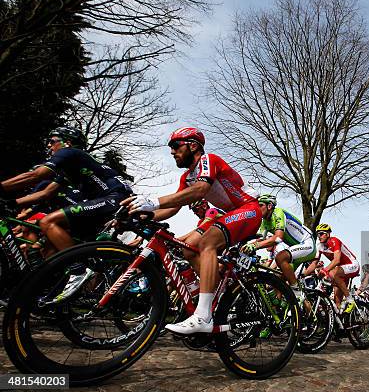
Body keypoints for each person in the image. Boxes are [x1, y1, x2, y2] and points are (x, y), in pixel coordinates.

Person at [125, 126, 261, 334]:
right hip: (229, 214)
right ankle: (214, 291)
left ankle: (203, 316)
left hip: (248, 209)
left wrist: (153, 202)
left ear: (193, 145)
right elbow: (172, 207)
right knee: (189, 249)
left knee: (207, 243)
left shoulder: (209, 160)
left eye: (175, 146)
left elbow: (201, 190)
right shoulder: (186, 177)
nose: (172, 152)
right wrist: (145, 214)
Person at [0, 126, 132, 255]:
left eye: (52, 141)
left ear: (67, 143)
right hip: (108, 199)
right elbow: (46, 193)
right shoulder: (71, 168)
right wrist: (12, 203)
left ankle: (77, 269)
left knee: (48, 222)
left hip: (114, 198)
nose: (48, 146)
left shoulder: (69, 152)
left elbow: (36, 175)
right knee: (49, 242)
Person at [240, 194, 316, 301]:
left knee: (280, 258)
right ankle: (284, 307)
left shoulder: (278, 212)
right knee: (278, 282)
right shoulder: (265, 221)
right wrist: (247, 246)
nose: (257, 208)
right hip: (297, 248)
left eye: (260, 205)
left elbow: (278, 238)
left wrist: (255, 246)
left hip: (307, 244)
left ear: (270, 206)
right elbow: (262, 239)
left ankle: (297, 291)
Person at [305, 223, 359, 313]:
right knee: (337, 300)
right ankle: (341, 323)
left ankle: (350, 300)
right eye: (318, 234)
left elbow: (336, 260)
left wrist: (325, 270)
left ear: (328, 234)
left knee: (332, 273)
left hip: (352, 264)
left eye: (321, 234)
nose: (319, 236)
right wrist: (303, 274)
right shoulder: (319, 246)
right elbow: (314, 264)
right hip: (341, 269)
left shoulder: (334, 241)